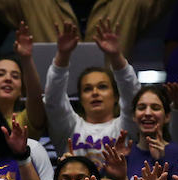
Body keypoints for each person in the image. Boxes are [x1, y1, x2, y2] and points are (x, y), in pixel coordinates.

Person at [43, 20, 141, 157]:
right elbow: (53, 99)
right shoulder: (69, 128)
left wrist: (115, 56)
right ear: (81, 99)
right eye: (87, 89)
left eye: (102, 87)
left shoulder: (126, 127)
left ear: (116, 97)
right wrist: (62, 56)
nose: (95, 93)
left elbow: (133, 94)